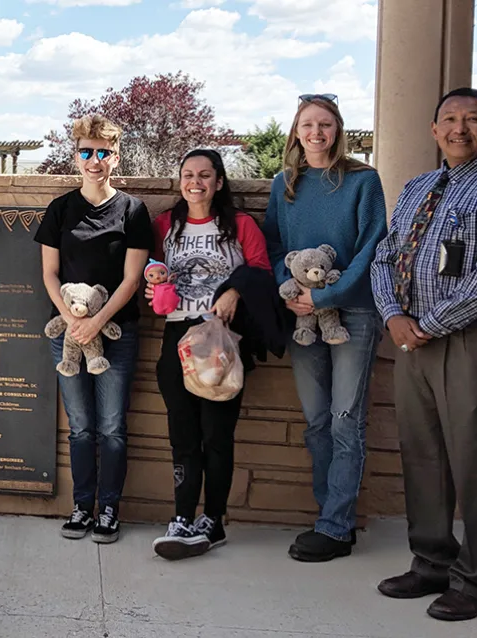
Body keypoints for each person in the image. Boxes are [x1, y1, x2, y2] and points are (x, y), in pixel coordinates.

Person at [371, 88, 477, 622]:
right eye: (449, 119)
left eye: (472, 119)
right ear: (433, 128)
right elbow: (384, 255)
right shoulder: (418, 187)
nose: (459, 128)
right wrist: (394, 317)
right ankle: (431, 562)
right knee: (421, 455)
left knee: (476, 464)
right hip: (412, 339)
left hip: (475, 340)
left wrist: (427, 325)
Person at [262, 94, 388, 562]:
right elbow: (274, 244)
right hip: (302, 317)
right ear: (296, 131)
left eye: (326, 124)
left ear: (338, 130)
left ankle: (336, 528)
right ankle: (330, 516)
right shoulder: (285, 184)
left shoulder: (363, 181)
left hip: (352, 312)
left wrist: (325, 296)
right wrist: (290, 291)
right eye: (308, 124)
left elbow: (373, 246)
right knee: (316, 419)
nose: (316, 133)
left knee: (344, 420)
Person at [147, 149, 284, 560]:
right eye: (188, 174)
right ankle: (183, 517)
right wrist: (153, 284)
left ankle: (215, 519)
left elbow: (261, 271)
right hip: (177, 338)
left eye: (205, 175)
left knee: (217, 436)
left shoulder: (240, 225)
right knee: (183, 435)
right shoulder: (164, 225)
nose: (196, 182)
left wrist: (234, 291)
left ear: (219, 182)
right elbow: (148, 267)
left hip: (222, 342)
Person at [34, 114, 152, 544]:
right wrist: (73, 321)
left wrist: (97, 322)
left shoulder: (133, 211)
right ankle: (82, 505)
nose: (95, 160)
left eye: (103, 152)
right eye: (87, 152)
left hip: (116, 335)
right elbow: (49, 273)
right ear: (76, 157)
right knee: (80, 425)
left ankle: (109, 510)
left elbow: (131, 280)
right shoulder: (61, 209)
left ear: (115, 157)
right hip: (68, 335)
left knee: (112, 426)